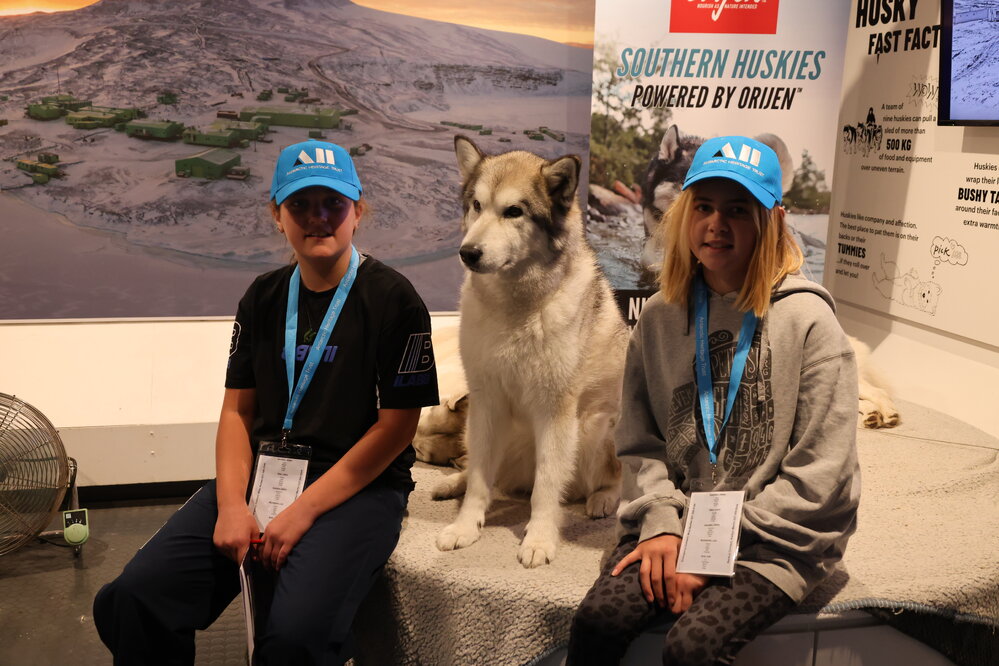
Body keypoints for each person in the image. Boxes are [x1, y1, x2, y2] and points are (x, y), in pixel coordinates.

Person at [93, 140, 440, 665]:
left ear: (358, 212)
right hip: (264, 471)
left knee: (294, 640)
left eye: (333, 203)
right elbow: (237, 412)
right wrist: (233, 506)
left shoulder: (395, 300)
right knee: (136, 597)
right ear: (277, 216)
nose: (317, 217)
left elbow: (395, 430)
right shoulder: (262, 296)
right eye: (299, 205)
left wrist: (304, 510)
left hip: (356, 486)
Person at [567, 136, 860, 666]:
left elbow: (821, 473)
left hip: (776, 536)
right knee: (597, 621)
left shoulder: (810, 323)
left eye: (737, 211)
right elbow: (639, 445)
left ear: (772, 219)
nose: (715, 225)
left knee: (694, 647)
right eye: (703, 206)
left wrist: (709, 551)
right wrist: (661, 524)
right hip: (676, 520)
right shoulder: (657, 318)